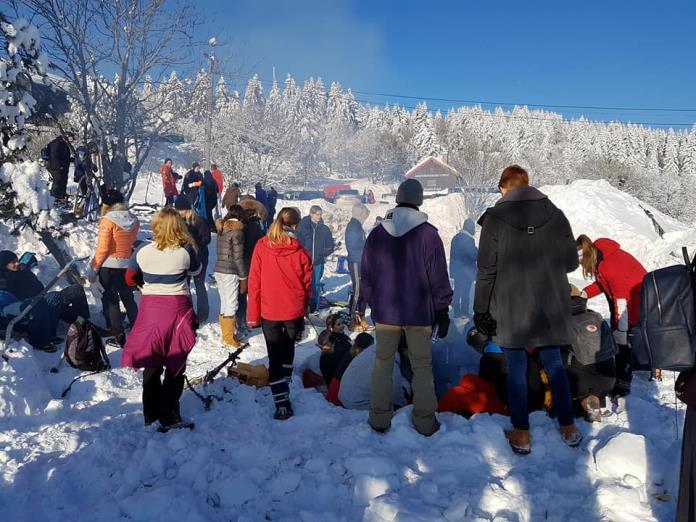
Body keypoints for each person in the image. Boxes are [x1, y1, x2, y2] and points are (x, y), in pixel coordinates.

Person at [474, 165, 581, 455]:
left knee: (516, 370)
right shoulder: (556, 214)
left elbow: (486, 270)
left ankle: (521, 433)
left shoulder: (494, 218)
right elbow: (571, 263)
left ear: (505, 187)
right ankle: (568, 427)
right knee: (555, 366)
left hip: (511, 306)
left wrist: (480, 309)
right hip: (551, 305)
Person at [361, 178, 453, 436]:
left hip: (386, 311)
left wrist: (371, 301)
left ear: (398, 198)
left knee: (382, 363)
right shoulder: (428, 234)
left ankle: (379, 418)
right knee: (422, 366)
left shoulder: (378, 233)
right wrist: (441, 309)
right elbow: (438, 277)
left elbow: (366, 275)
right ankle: (424, 421)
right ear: (419, 200)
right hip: (418, 313)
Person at [122, 208, 201, 430]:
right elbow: (197, 271)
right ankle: (169, 414)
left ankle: (150, 413)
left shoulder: (141, 251)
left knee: (152, 361)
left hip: (150, 309)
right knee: (176, 362)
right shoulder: (185, 251)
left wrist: (144, 284)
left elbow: (129, 278)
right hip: (177, 309)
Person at [248, 207, 313, 420]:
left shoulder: (261, 247)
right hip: (293, 308)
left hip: (270, 310)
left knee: (275, 355)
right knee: (288, 347)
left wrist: (253, 314)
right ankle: (284, 379)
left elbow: (254, 281)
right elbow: (307, 283)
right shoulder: (300, 250)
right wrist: (305, 304)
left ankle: (281, 400)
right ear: (295, 225)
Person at [576, 234, 646, 404]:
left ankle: (622, 385)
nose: (582, 266)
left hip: (635, 305)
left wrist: (621, 330)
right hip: (626, 304)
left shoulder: (611, 264)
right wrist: (584, 293)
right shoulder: (601, 258)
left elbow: (621, 302)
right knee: (620, 339)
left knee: (624, 344)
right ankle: (626, 373)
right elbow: (603, 284)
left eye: (580, 263)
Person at [86, 189, 140, 347]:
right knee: (128, 298)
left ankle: (118, 335)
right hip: (127, 264)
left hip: (109, 266)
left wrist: (93, 269)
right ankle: (138, 327)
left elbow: (103, 248)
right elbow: (130, 243)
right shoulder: (134, 220)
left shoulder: (107, 220)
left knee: (111, 301)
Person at [565, 285, 617, 422]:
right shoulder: (595, 315)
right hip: (609, 378)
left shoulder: (560, 320)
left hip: (580, 380)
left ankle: (582, 399)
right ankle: (596, 397)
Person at [0, 250, 90, 325]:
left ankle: (84, 322)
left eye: (16, 260)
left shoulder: (22, 270)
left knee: (76, 290)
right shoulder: (4, 281)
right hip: (34, 308)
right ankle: (83, 325)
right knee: (61, 306)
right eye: (13, 262)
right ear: (4, 265)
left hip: (44, 298)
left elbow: (38, 286)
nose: (17, 263)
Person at [338, 339, 411, 411]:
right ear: (404, 349)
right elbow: (399, 399)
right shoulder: (388, 363)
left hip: (347, 395)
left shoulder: (377, 348)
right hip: (357, 404)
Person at [214, 205, 247, 348]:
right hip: (230, 271)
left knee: (224, 302)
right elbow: (238, 257)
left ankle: (225, 333)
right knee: (232, 304)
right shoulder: (237, 232)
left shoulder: (222, 229)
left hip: (219, 269)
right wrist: (243, 276)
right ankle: (228, 337)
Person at [175, 198, 211, 323]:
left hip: (199, 256)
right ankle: (187, 311)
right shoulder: (177, 222)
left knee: (199, 284)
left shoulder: (200, 221)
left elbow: (207, 239)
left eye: (183, 210)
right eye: (178, 210)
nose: (180, 213)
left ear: (189, 210)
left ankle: (203, 314)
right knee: (185, 285)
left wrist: (192, 241)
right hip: (184, 257)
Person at [236, 197, 267, 337]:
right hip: (249, 261)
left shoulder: (242, 223)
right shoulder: (251, 224)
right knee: (247, 292)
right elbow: (254, 243)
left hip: (244, 262)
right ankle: (245, 319)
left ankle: (243, 320)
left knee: (243, 292)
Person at [296, 205, 335, 313]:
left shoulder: (324, 228)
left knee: (316, 285)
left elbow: (330, 245)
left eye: (320, 214)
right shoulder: (303, 226)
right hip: (304, 262)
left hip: (317, 262)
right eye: (317, 214)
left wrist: (322, 253)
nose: (319, 216)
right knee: (304, 285)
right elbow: (297, 243)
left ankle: (314, 308)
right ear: (311, 214)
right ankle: (302, 307)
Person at [326, 332, 374, 405]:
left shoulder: (352, 353)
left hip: (338, 389)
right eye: (371, 346)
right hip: (338, 394)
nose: (373, 349)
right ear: (363, 348)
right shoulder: (357, 360)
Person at [345, 203, 372, 331]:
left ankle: (361, 317)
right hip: (356, 262)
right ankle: (353, 320)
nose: (366, 218)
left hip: (362, 262)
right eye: (365, 215)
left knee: (363, 291)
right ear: (360, 214)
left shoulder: (358, 226)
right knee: (357, 290)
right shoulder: (353, 226)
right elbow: (352, 247)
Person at [450, 218, 478, 317]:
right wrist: (478, 251)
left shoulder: (456, 238)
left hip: (458, 271)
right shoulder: (468, 240)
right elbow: (473, 255)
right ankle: (464, 313)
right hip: (466, 272)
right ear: (470, 228)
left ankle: (456, 312)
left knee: (457, 291)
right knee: (465, 293)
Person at [317, 313, 353, 386]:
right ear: (331, 327)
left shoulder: (343, 338)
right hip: (335, 378)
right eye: (338, 324)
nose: (342, 326)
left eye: (342, 323)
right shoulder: (331, 342)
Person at [46, 132, 75, 202]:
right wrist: (59, 166)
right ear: (66, 137)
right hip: (55, 167)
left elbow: (65, 157)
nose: (72, 141)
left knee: (63, 181)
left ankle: (62, 196)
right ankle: (55, 199)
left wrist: (73, 159)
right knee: (58, 182)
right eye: (71, 138)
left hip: (62, 167)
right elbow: (54, 156)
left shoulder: (63, 144)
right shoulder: (56, 144)